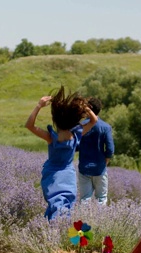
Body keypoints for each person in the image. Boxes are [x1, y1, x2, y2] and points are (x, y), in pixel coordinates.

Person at [25, 86, 97, 221]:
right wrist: (85, 107)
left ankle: (51, 231)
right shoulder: (76, 135)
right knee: (66, 205)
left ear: (56, 120)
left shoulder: (51, 138)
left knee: (55, 204)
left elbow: (29, 125)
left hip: (52, 175)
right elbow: (94, 121)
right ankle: (59, 232)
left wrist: (39, 105)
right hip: (68, 175)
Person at [77, 97, 114, 205]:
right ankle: (100, 221)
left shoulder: (82, 125)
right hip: (99, 168)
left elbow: (76, 146)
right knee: (101, 198)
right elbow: (110, 148)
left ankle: (84, 220)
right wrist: (106, 161)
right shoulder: (105, 127)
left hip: (84, 168)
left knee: (84, 199)